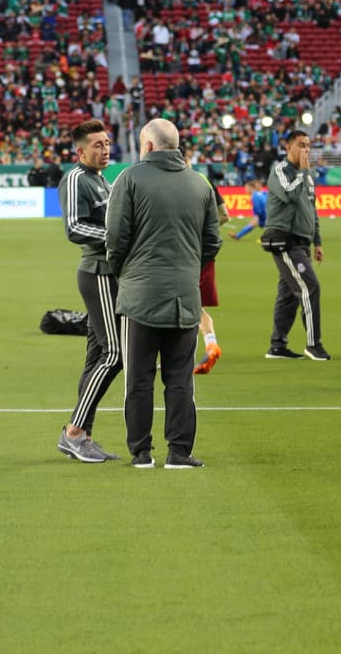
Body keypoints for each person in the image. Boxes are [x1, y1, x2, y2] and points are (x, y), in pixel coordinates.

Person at [106, 119, 221, 469]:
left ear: (149, 146)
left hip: (141, 296)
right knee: (180, 378)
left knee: (139, 378)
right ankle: (179, 452)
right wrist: (186, 268)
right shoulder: (200, 185)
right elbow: (212, 241)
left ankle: (141, 452)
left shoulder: (130, 178)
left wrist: (124, 270)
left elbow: (115, 237)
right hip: (184, 297)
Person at [55, 119, 124, 464]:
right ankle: (74, 433)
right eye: (97, 144)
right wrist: (118, 240)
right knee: (115, 354)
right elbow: (73, 227)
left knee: (97, 357)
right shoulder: (76, 178)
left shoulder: (101, 180)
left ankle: (82, 435)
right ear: (80, 151)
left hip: (110, 273)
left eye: (107, 142)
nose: (105, 148)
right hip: (98, 272)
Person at [264, 129, 331, 361]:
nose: (306, 149)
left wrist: (318, 241)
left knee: (289, 295)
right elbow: (289, 195)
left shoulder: (308, 178)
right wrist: (303, 172)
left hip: (301, 242)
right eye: (301, 144)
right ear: (288, 147)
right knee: (310, 287)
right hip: (284, 240)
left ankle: (277, 346)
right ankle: (314, 344)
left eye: (308, 145)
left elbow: (312, 211)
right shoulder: (280, 171)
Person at [194, 173, 230, 375]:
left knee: (177, 304)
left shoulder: (174, 182)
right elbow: (224, 215)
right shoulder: (204, 180)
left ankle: (175, 357)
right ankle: (211, 343)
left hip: (182, 253)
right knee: (194, 306)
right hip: (206, 254)